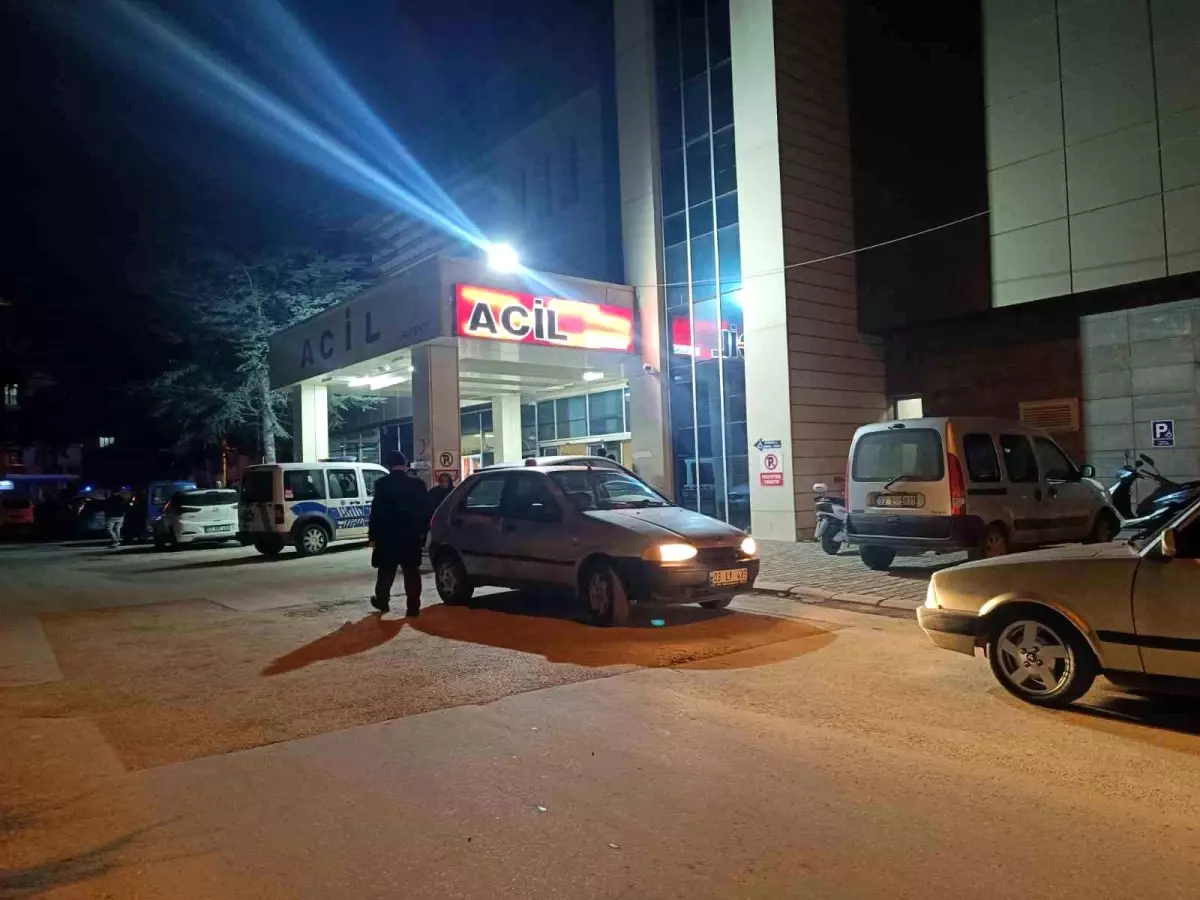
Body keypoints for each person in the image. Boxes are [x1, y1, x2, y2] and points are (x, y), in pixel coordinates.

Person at [368, 451, 429, 616]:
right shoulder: (418, 484)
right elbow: (426, 510)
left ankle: (382, 601)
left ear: (390, 466)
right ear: (405, 465)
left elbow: (376, 512)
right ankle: (413, 607)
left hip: (387, 536)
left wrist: (373, 536)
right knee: (411, 572)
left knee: (386, 571)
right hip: (410, 536)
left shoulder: (381, 484)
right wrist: (422, 533)